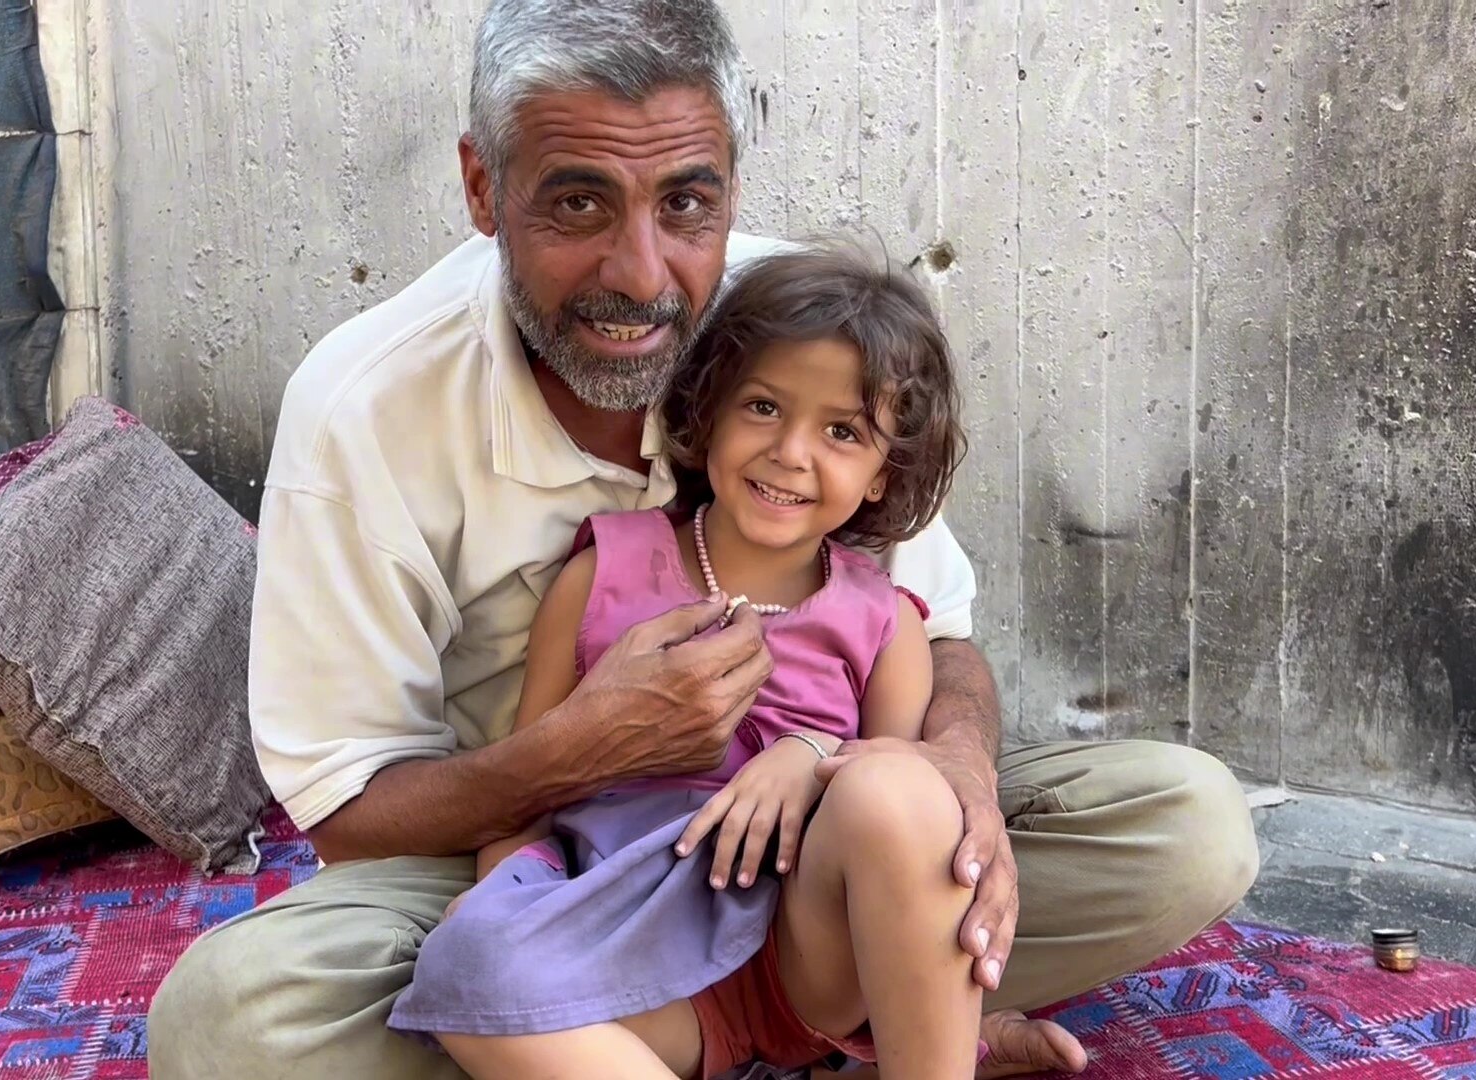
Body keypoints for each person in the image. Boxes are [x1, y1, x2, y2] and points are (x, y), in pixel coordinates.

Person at [146, 2, 1259, 1077]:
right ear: (483, 187)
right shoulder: (364, 406)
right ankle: (843, 1036)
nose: (641, 275)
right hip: (568, 858)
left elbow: (939, 643)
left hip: (829, 870)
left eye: (686, 203)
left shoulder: (801, 329)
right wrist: (579, 753)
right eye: (578, 202)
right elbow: (349, 816)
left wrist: (957, 774)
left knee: (1183, 827)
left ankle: (857, 1015)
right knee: (235, 1022)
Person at [389, 246, 1055, 1079]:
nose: (792, 452)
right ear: (707, 417)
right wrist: (501, 911)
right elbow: (528, 790)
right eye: (764, 407)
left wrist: (808, 754)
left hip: (802, 965)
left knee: (898, 788)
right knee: (465, 962)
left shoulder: (885, 621)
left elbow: (915, 809)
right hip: (628, 956)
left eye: (842, 432)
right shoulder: (601, 574)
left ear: (884, 476)